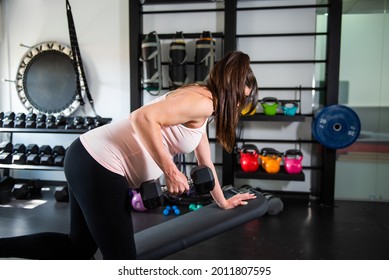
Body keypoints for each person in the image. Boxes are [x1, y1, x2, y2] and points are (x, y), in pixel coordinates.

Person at [0, 50, 258, 260]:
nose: (238, 105)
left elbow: (205, 163)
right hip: (98, 165)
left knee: (77, 247)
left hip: (86, 157)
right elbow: (142, 117)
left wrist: (223, 201)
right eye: (240, 98)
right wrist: (171, 171)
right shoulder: (204, 102)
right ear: (230, 86)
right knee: (122, 263)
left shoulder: (203, 104)